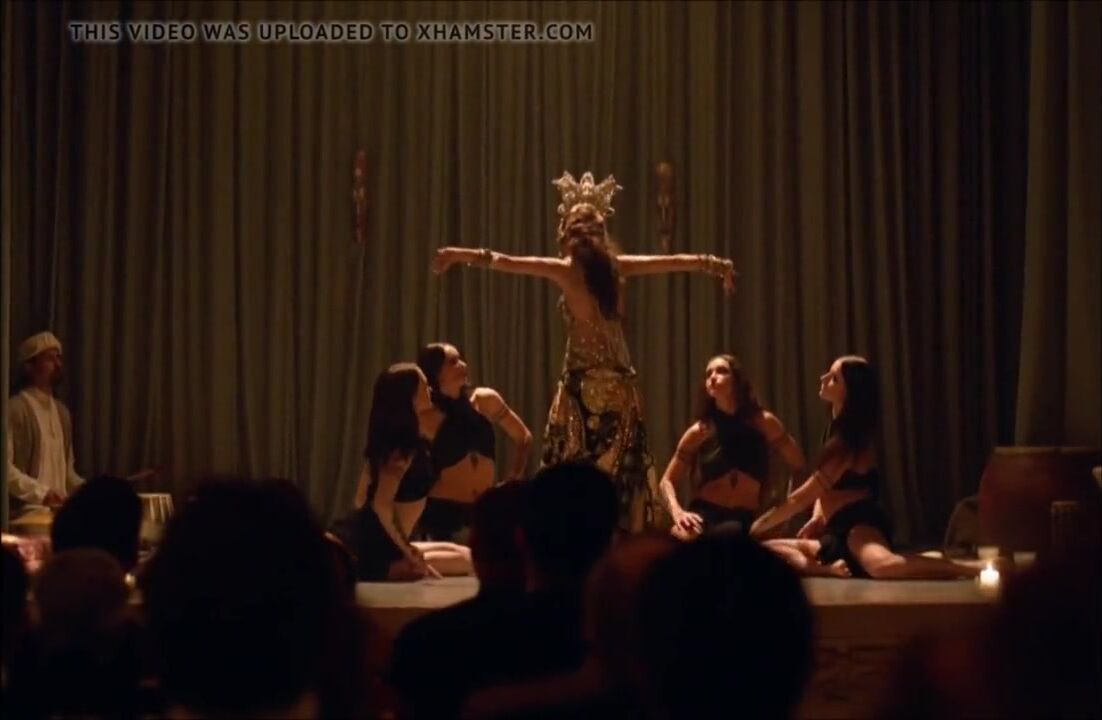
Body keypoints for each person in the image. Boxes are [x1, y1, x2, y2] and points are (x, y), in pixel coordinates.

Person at [432, 171, 738, 532]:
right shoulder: (615, 267)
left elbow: (506, 260)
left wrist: (459, 255)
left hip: (582, 390)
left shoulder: (569, 271)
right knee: (617, 473)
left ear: (568, 237)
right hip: (616, 387)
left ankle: (576, 536)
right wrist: (713, 264)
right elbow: (673, 261)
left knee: (577, 471)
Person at [752, 356, 978, 579]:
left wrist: (760, 524)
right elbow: (825, 490)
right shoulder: (834, 431)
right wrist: (818, 517)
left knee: (882, 567)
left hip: (857, 525)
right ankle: (828, 569)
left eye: (834, 378)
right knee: (767, 549)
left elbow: (802, 497)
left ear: (850, 392)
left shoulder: (850, 441)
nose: (823, 378)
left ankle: (964, 568)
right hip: (836, 531)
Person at [330, 363, 470, 581]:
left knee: (465, 553)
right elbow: (380, 504)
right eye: (423, 386)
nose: (429, 389)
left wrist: (399, 541)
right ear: (409, 396)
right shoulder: (401, 448)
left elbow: (361, 497)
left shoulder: (398, 442)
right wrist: (406, 551)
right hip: (377, 546)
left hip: (386, 539)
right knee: (467, 561)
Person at [659, 354, 806, 540]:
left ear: (737, 380)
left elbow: (799, 465)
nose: (713, 377)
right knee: (679, 537)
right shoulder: (700, 431)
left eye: (721, 371)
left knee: (730, 535)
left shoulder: (764, 422)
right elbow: (666, 481)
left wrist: (784, 513)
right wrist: (677, 512)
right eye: (708, 374)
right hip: (704, 513)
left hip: (742, 518)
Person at [415, 342, 532, 542]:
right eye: (453, 362)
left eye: (460, 359)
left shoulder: (485, 400)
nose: (463, 365)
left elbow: (524, 437)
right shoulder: (426, 416)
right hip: (441, 514)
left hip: (483, 511)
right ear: (435, 371)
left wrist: (514, 476)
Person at [7, 332, 84, 516]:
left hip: (58, 516)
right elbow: (5, 470)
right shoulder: (14, 409)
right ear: (29, 366)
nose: (58, 364)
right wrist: (42, 494)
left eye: (58, 358)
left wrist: (87, 489)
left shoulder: (62, 413)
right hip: (25, 516)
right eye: (50, 359)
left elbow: (67, 473)